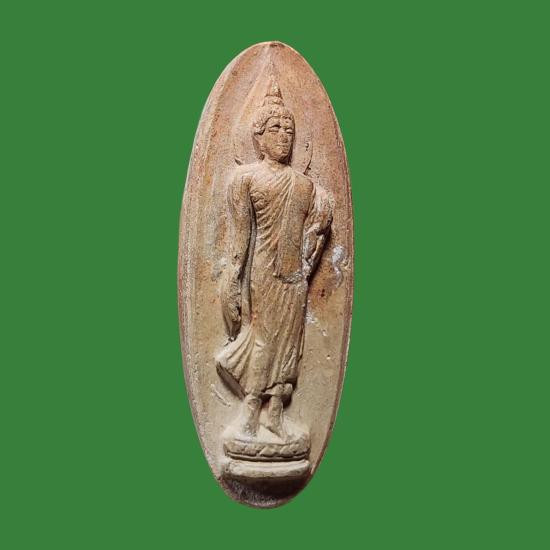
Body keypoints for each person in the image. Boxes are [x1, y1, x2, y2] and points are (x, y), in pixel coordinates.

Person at [216, 76, 332, 442]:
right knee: (264, 340)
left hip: (293, 278)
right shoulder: (245, 179)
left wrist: (310, 255)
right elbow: (239, 239)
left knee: (290, 345)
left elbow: (311, 237)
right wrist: (232, 279)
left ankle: (276, 415)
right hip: (262, 275)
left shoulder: (305, 185)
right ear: (258, 136)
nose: (284, 136)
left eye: (289, 131)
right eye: (275, 129)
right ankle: (250, 413)